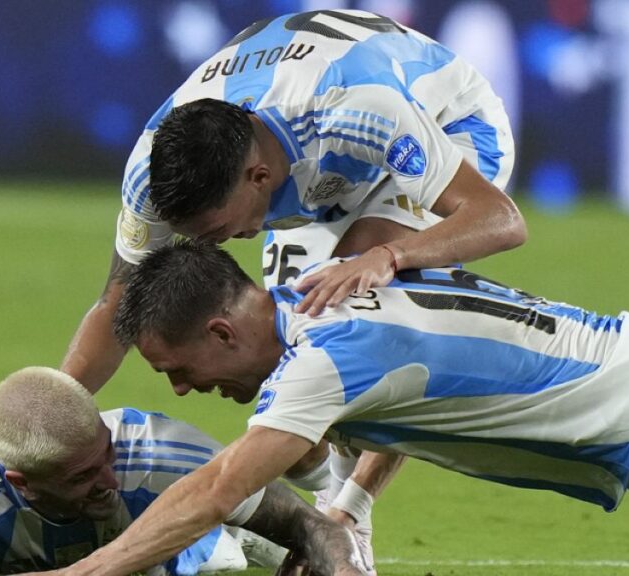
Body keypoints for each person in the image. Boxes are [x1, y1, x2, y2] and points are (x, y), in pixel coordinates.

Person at [62, 11, 526, 570]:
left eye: (217, 233)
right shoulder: (153, 175)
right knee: (276, 344)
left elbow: (499, 220)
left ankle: (348, 515)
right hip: (315, 165)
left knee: (357, 323)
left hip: (445, 126)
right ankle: (323, 497)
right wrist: (43, 420)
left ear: (258, 179)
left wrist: (388, 256)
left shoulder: (359, 111)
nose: (211, 246)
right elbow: (117, 307)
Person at [46, 240, 629, 575]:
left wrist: (81, 575)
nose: (180, 391)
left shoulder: (320, 362)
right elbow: (412, 393)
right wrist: (348, 506)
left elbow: (216, 490)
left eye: (178, 369)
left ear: (223, 331)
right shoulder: (318, 290)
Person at [0, 367, 366, 576]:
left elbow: (316, 526)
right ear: (20, 481)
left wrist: (335, 561)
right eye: (81, 476)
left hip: (147, 536)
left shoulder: (163, 455)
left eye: (105, 455)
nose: (107, 478)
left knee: (225, 550)